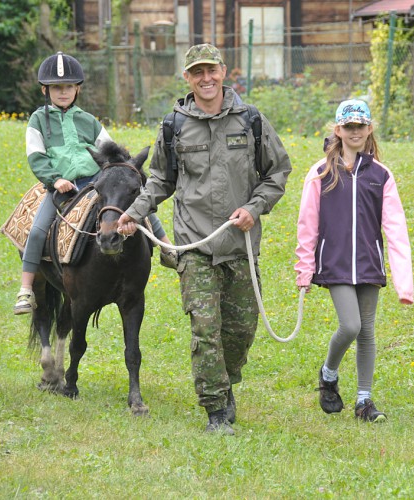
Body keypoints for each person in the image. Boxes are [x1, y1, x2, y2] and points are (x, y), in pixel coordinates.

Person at [117, 43, 292, 434]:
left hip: (239, 246)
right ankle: (216, 411)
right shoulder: (173, 125)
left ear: (223, 71)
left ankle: (226, 383)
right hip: (195, 246)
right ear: (187, 78)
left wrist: (255, 207)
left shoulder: (251, 121)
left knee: (240, 330)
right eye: (197, 72)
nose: (205, 78)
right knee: (205, 329)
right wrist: (134, 213)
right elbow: (161, 180)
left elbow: (277, 172)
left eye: (211, 70)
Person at [14, 51, 176, 315]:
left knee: (139, 206)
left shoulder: (88, 121)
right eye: (57, 88)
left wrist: (121, 169)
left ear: (77, 89)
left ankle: (168, 249)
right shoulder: (37, 121)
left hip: (96, 182)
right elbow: (36, 156)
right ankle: (26, 290)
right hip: (62, 188)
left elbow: (110, 150)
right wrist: (56, 180)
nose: (63, 92)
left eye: (68, 87)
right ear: (46, 90)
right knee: (37, 230)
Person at [294, 99, 414, 423]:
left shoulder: (381, 176)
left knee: (367, 331)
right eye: (349, 126)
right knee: (351, 325)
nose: (355, 131)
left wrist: (405, 282)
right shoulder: (320, 173)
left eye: (361, 126)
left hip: (369, 264)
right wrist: (305, 269)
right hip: (335, 264)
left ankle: (364, 400)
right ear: (338, 130)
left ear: (369, 128)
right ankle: (329, 373)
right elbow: (308, 224)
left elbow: (396, 228)